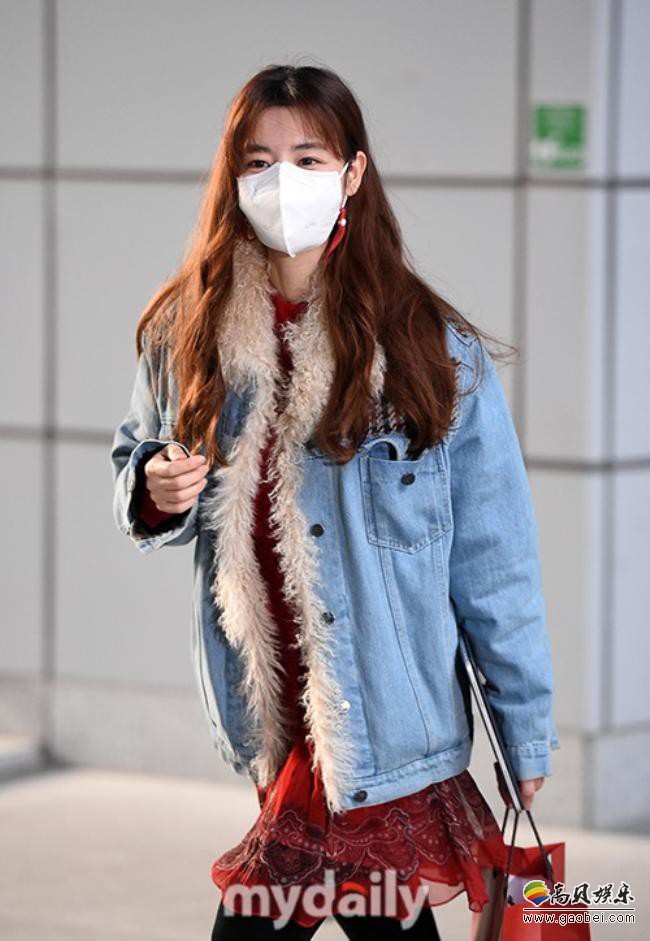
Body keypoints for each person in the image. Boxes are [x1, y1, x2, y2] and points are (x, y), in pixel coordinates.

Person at [111, 64, 560, 938]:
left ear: (352, 172)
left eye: (308, 158)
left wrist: (524, 728)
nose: (282, 181)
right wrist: (155, 485)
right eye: (259, 161)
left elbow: (494, 559)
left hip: (384, 717)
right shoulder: (185, 331)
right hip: (274, 718)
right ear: (234, 177)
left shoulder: (429, 348)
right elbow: (137, 459)